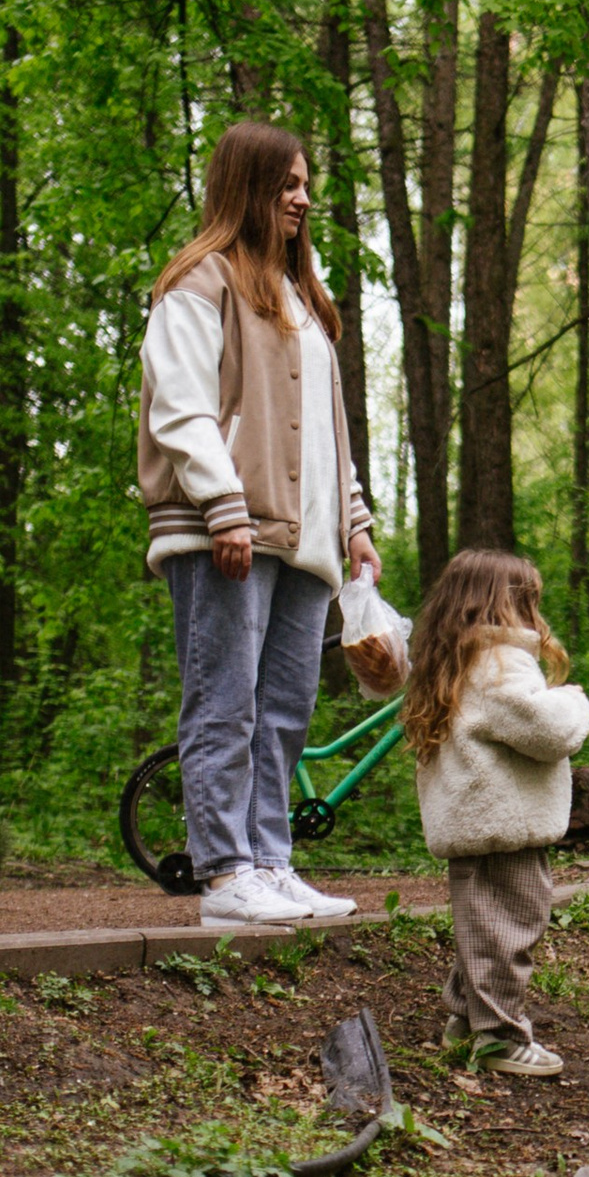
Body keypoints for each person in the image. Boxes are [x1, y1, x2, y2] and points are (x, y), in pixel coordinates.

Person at [140, 120, 382, 928]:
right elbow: (181, 410)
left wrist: (353, 521)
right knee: (224, 704)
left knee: (284, 710)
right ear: (247, 189)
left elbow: (327, 431)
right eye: (287, 186)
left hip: (306, 543)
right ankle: (222, 873)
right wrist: (221, 505)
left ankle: (271, 863)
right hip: (228, 534)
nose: (303, 200)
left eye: (305, 185)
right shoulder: (197, 283)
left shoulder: (306, 305)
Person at [401, 549, 589, 1078]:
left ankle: (466, 1020)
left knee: (485, 923)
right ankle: (501, 1038)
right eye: (530, 601)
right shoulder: (500, 661)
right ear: (510, 605)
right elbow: (547, 731)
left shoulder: (456, 659)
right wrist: (574, 700)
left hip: (482, 823)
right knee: (510, 929)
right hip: (502, 825)